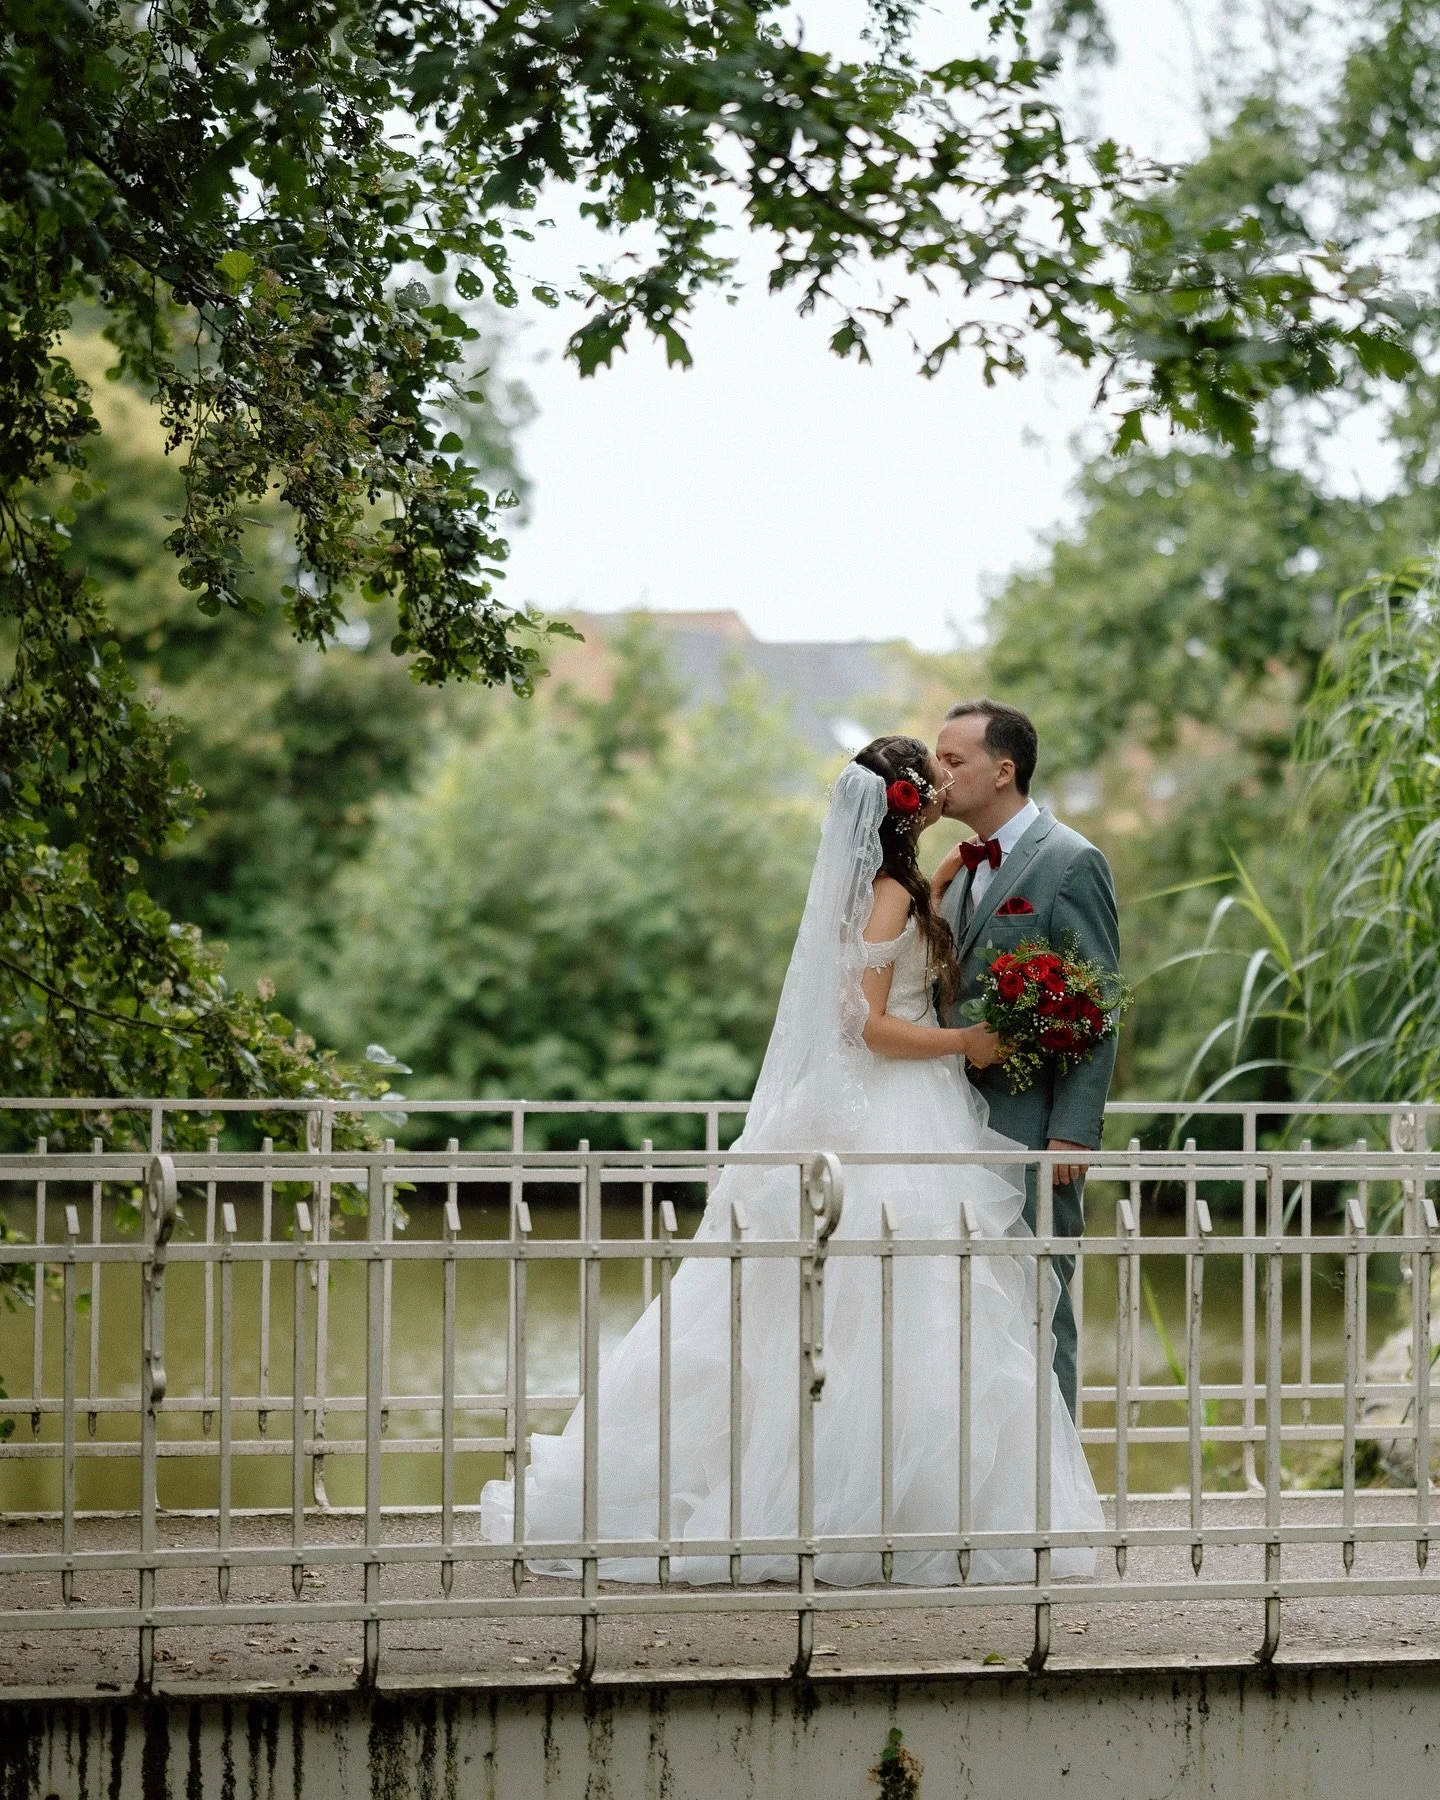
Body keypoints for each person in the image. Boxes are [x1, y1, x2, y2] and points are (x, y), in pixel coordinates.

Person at [480, 735, 1102, 1583]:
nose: (944, 785)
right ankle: (870, 1509)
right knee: (892, 1310)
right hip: (897, 1114)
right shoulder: (887, 893)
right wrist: (965, 1039)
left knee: (901, 1312)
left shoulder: (910, 885)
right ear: (907, 806)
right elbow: (865, 1026)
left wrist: (951, 877)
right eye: (933, 776)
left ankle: (906, 1505)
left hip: (913, 1110)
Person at [932, 699, 1121, 1419]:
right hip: (948, 1126)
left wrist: (1073, 1129)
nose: (937, 774)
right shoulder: (952, 873)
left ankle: (1056, 1491)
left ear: (1003, 770)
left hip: (1031, 1126)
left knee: (1041, 1305)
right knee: (964, 1312)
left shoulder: (1070, 861)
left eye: (953, 761)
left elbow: (1097, 1003)